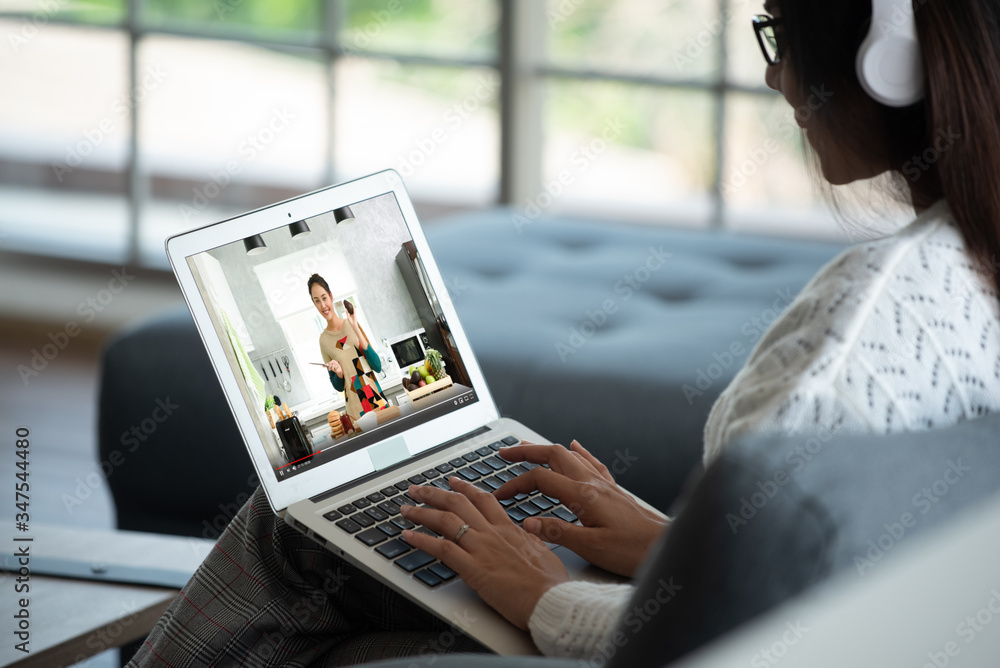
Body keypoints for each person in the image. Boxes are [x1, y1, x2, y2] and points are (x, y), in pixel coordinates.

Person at [128, 1, 1000, 665]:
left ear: (881, 61)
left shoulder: (849, 342)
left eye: (777, 31)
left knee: (294, 534)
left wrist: (544, 597)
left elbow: (765, 643)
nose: (775, 78)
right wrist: (670, 543)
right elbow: (835, 563)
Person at [309, 273, 389, 422]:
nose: (323, 305)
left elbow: (377, 366)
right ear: (314, 304)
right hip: (355, 411)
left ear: (331, 296)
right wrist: (339, 373)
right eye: (317, 301)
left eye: (324, 298)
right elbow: (338, 387)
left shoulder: (353, 324)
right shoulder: (324, 341)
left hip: (376, 400)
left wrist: (355, 328)